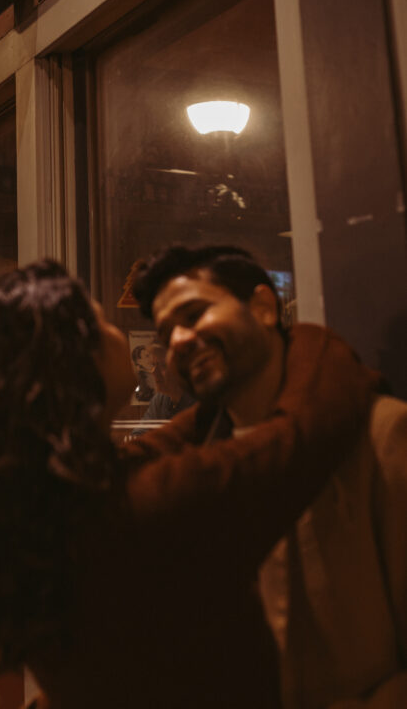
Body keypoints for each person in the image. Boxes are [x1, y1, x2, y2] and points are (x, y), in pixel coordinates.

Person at [0, 259, 377, 709]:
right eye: (102, 322)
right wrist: (300, 336)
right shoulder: (147, 509)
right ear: (78, 361)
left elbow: (174, 437)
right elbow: (303, 433)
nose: (173, 341)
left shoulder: (35, 507)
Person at [132, 244, 407, 709]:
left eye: (194, 313)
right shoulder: (201, 471)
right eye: (166, 333)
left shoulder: (381, 438)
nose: (178, 340)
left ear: (262, 307)